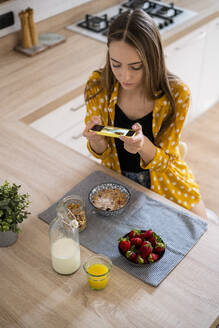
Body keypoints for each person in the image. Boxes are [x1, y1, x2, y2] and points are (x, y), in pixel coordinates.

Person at [83, 9, 208, 220]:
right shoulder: (98, 85)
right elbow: (99, 152)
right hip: (116, 183)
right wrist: (96, 140)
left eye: (136, 66)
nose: (125, 75)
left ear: (152, 59)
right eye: (116, 65)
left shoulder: (176, 94)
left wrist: (142, 146)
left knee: (202, 228)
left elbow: (166, 162)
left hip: (166, 180)